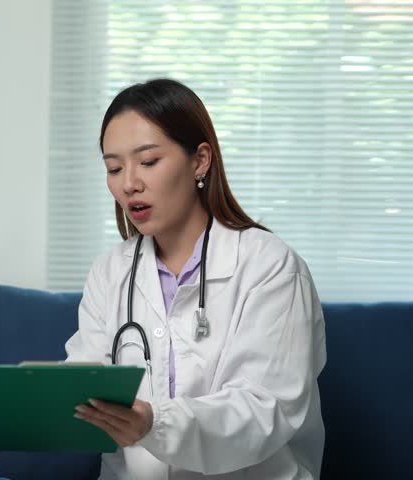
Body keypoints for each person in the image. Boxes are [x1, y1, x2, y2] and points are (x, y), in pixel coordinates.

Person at [65, 78, 326, 479]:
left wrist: (154, 422)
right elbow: (82, 388)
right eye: (114, 168)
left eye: (148, 162)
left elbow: (266, 408)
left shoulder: (268, 266)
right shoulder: (110, 272)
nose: (128, 182)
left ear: (200, 160)